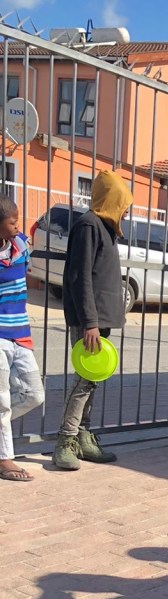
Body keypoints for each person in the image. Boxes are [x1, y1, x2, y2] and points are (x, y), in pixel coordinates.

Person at [53, 169, 133, 470]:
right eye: (123, 203)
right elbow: (80, 277)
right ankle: (65, 441)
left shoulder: (106, 227)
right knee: (84, 378)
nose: (126, 211)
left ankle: (83, 436)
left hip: (102, 320)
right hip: (90, 322)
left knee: (94, 379)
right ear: (111, 199)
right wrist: (89, 322)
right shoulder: (88, 225)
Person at [0, 196, 45, 482]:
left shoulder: (21, 247)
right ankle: (4, 459)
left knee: (34, 394)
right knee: (2, 401)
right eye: (13, 221)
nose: (18, 225)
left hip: (21, 334)